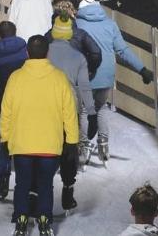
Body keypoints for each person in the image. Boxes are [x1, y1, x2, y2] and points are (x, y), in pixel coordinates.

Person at [0, 35, 78, 236]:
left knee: (22, 184)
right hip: (50, 145)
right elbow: (69, 112)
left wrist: (5, 139)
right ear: (47, 53)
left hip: (22, 144)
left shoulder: (16, 77)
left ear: (27, 52)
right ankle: (44, 222)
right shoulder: (59, 78)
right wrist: (71, 141)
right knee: (45, 185)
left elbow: (6, 111)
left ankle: (21, 221)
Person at [75, 0, 153, 165]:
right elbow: (123, 50)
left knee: (83, 111)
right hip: (106, 76)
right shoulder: (110, 24)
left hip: (86, 75)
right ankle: (103, 145)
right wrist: (142, 69)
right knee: (101, 108)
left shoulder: (78, 24)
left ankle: (84, 147)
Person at [46, 15, 95, 211]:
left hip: (47, 108)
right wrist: (91, 113)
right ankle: (68, 191)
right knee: (69, 148)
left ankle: (41, 190)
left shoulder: (43, 52)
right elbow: (84, 87)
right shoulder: (78, 58)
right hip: (70, 108)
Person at [0, 21, 28, 201]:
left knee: (5, 143)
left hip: (6, 104)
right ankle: (25, 183)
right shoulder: (25, 49)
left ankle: (3, 183)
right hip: (27, 102)